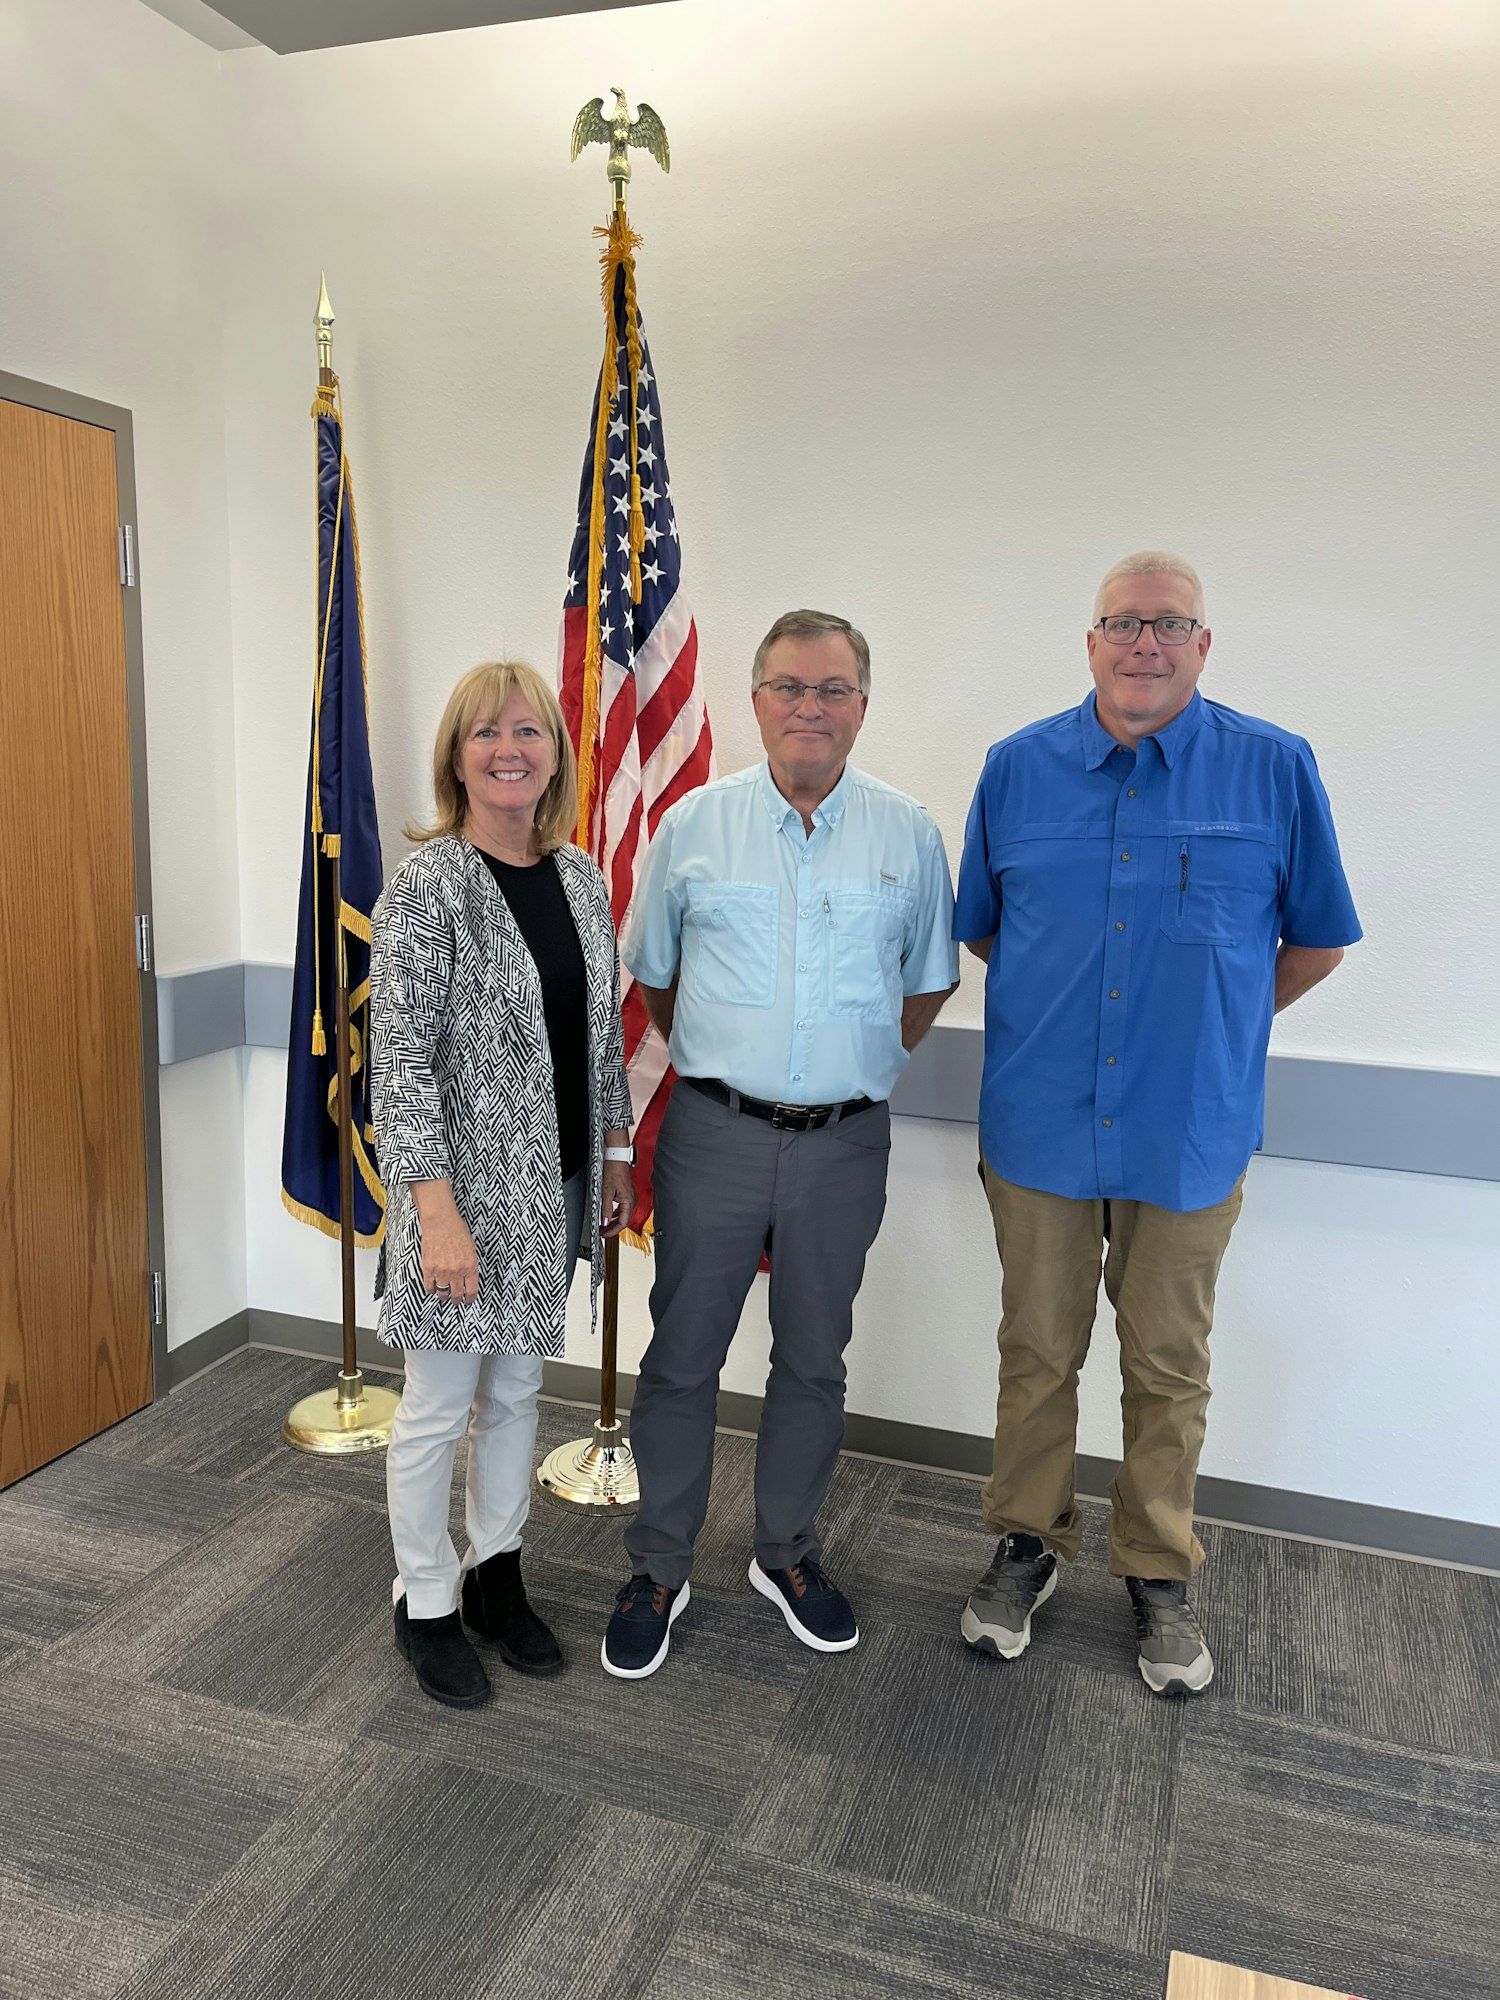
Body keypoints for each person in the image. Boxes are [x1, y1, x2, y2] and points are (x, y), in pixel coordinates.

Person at [953, 552, 1361, 1696]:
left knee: (1168, 1361)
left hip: (1191, 1127)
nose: (1145, 643)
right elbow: (986, 928)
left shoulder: (1275, 769)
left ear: (1203, 644)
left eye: (1169, 623)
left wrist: (1218, 1023)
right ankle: (1026, 1539)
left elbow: (1316, 942)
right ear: (1090, 642)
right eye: (1123, 623)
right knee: (1036, 1349)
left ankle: (1157, 1565)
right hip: (1038, 1124)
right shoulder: (1016, 769)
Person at [599, 608, 959, 1680]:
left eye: (834, 689)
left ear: (862, 704)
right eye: (790, 687)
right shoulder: (694, 827)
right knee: (681, 1358)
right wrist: (736, 1057)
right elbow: (654, 974)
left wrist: (848, 1070)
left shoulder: (907, 832)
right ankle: (660, 1563)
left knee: (813, 1357)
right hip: (714, 1132)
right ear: (755, 700)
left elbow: (927, 979)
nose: (811, 707)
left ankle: (786, 1551)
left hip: (844, 1145)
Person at [370, 659, 634, 1708]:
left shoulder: (578, 877)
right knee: (437, 1402)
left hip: (556, 1182)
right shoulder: (427, 885)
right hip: (460, 1199)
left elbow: (600, 1034)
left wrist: (612, 1156)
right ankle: (426, 1598)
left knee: (521, 1385)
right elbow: (399, 1063)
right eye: (486, 733)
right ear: (457, 757)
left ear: (555, 753)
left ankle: (496, 1571)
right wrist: (433, 1210)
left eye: (529, 730)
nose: (510, 748)